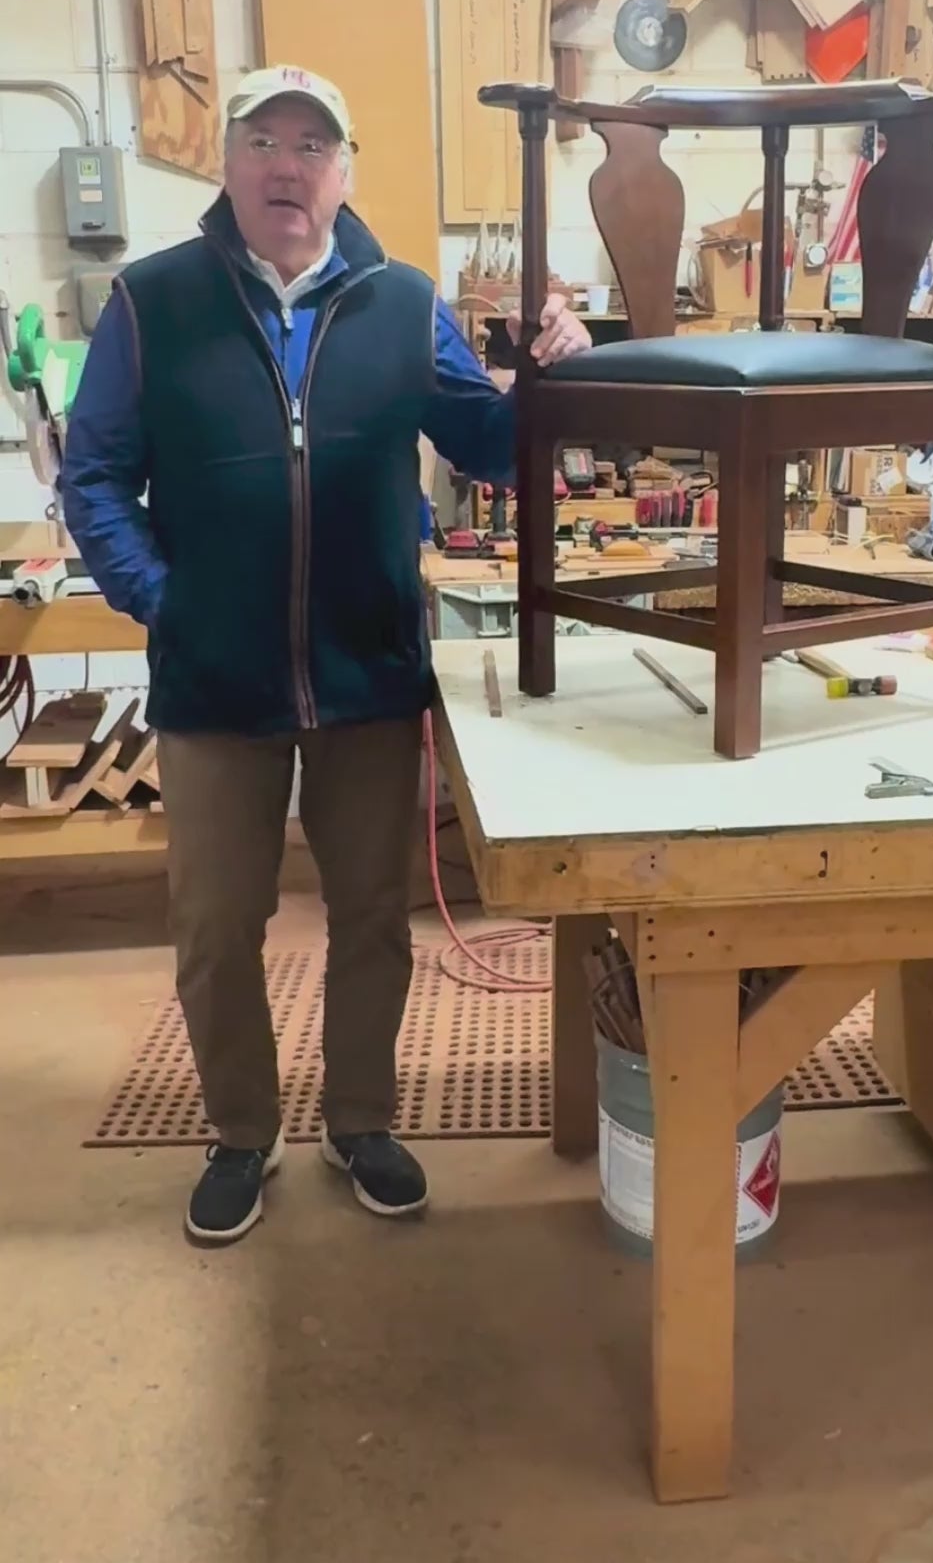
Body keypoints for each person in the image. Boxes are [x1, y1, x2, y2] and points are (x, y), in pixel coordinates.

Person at [63, 64, 592, 1247]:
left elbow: (493, 446)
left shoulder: (403, 303)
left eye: (313, 145)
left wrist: (554, 376)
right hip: (215, 682)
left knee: (372, 917)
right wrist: (166, 602)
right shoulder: (154, 300)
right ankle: (240, 1133)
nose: (287, 166)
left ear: (344, 172)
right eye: (263, 141)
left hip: (365, 673)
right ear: (228, 164)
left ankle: (360, 1119)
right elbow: (93, 476)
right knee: (216, 927)